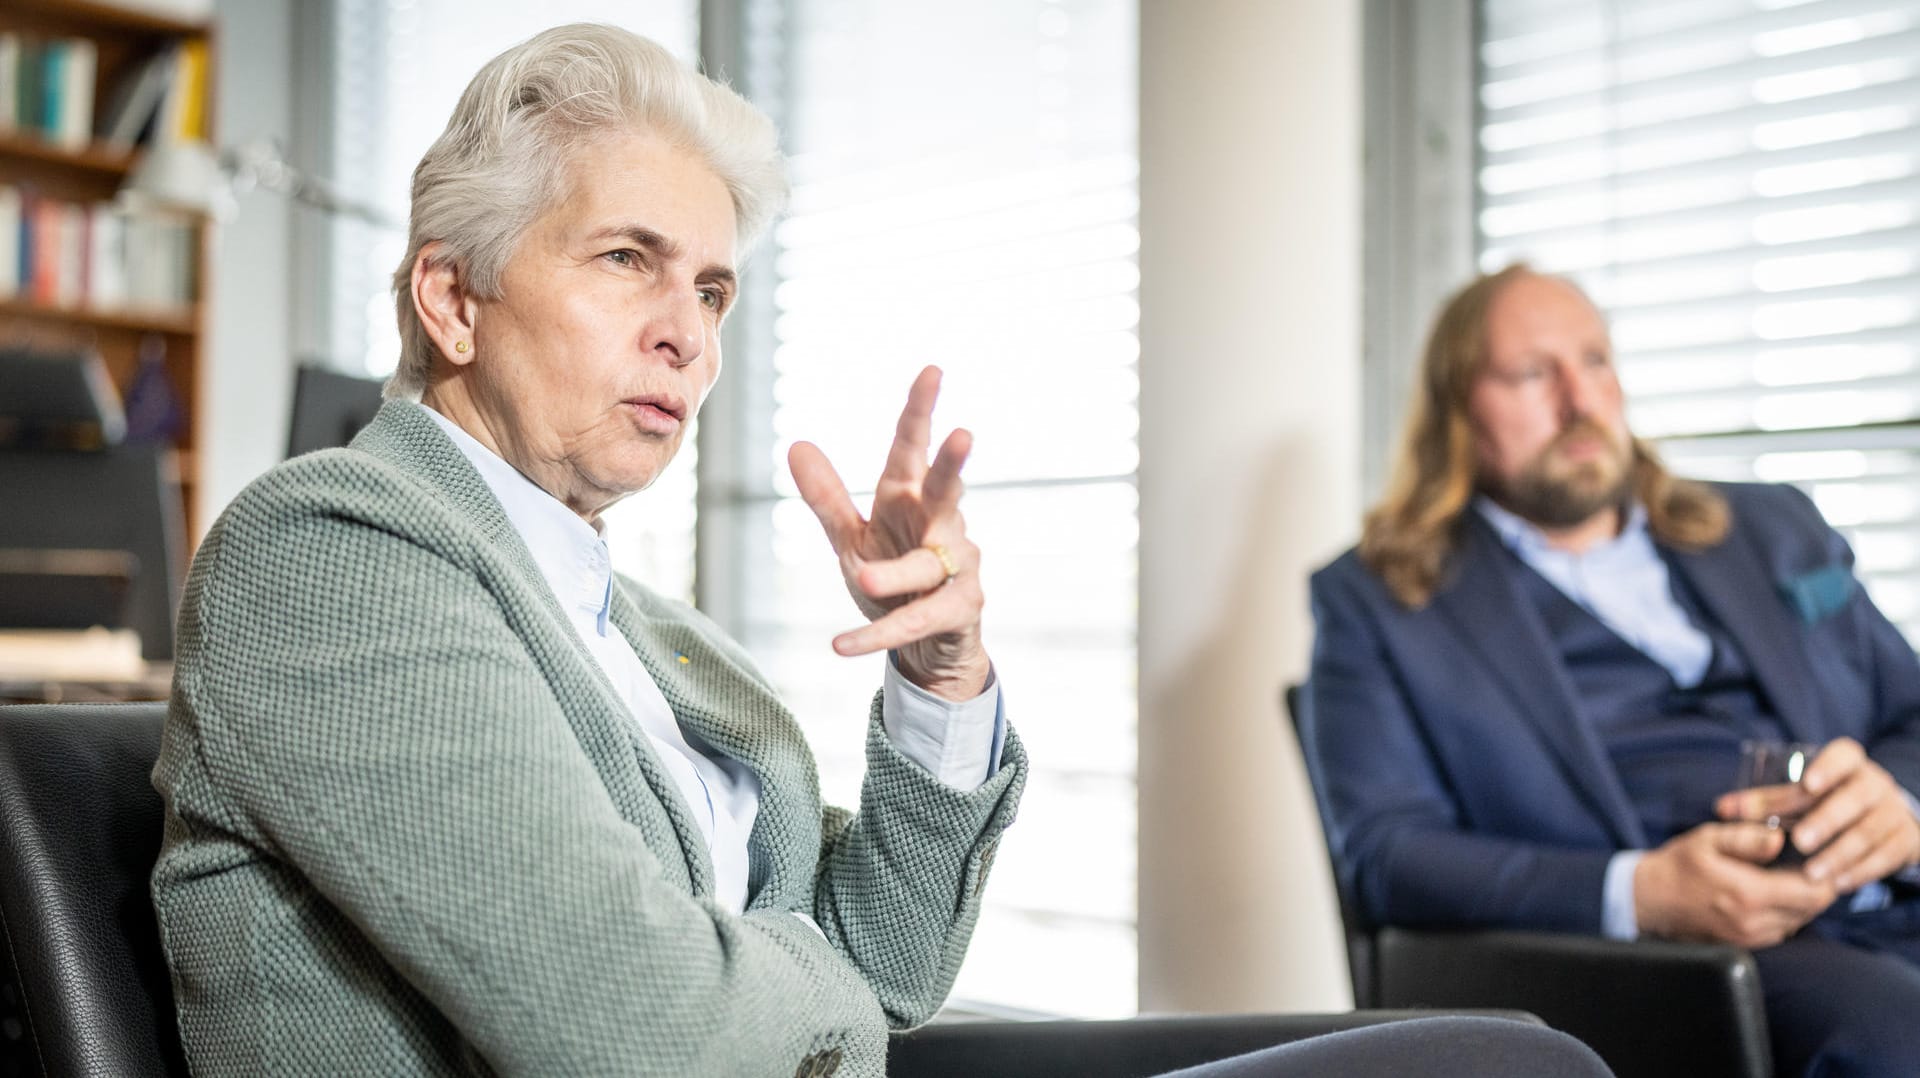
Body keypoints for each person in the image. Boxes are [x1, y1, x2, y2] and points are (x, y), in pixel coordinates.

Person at [151, 26, 1608, 1078]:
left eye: (714, 286)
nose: (690, 332)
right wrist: (811, 983)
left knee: (1519, 1054)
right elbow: (637, 1033)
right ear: (452, 301)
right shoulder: (331, 553)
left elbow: (892, 961)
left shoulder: (642, 627)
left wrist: (940, 675)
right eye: (626, 260)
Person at [1305, 263, 1920, 1076]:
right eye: (1533, 374)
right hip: (1686, 964)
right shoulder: (1380, 597)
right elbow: (1386, 854)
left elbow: (1910, 714)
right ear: (1456, 407)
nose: (1580, 401)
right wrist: (1643, 892)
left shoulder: (1773, 525)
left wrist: (1900, 806)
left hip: (1891, 897)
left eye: (1595, 362)